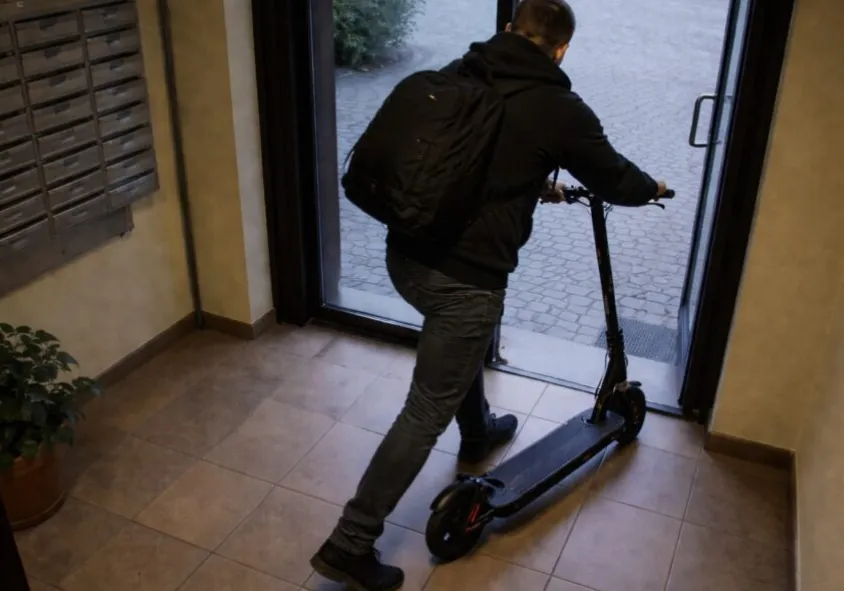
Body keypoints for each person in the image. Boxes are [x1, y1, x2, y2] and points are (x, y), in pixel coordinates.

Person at [311, 1, 669, 589]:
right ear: (561, 50)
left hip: (404, 257)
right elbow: (614, 177)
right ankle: (349, 543)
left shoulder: (463, 70)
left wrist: (536, 185)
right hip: (464, 280)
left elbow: (474, 157)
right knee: (426, 408)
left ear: (509, 30)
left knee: (460, 347)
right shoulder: (558, 106)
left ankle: (477, 430)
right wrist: (652, 186)